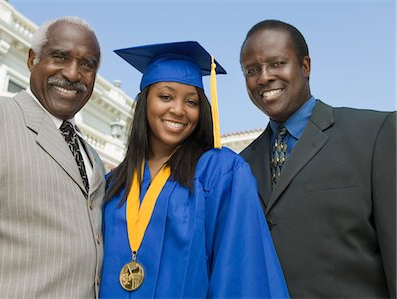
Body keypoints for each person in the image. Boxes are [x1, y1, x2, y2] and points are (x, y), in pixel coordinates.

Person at [99, 41, 289, 298]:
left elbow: (240, 274)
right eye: (165, 97)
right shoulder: (113, 183)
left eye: (191, 101)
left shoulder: (221, 173)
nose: (178, 110)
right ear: (145, 103)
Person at [0, 16, 106, 298]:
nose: (72, 73)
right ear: (33, 59)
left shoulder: (91, 156)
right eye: (60, 57)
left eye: (87, 64)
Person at [239, 19, 396, 298]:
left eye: (276, 63)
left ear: (306, 66)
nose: (263, 77)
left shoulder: (375, 134)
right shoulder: (241, 166)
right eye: (252, 70)